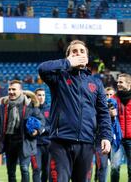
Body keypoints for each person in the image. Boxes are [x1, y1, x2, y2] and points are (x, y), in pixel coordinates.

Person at [38, 40, 112, 182]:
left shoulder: (95, 83)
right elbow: (42, 68)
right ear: (68, 56)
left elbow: (103, 113)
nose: (78, 54)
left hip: (86, 142)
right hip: (60, 142)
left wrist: (106, 137)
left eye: (82, 51)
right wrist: (67, 63)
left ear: (87, 57)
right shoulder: (58, 78)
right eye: (74, 51)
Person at [0, 80, 45, 182]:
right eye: (9, 89)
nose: (11, 92)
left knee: (24, 169)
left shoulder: (30, 104)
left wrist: (37, 131)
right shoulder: (4, 106)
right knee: (11, 171)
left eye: (14, 89)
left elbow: (42, 121)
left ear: (20, 91)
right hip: (9, 142)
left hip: (25, 141)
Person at [114, 73, 131, 182]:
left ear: (129, 83)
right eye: (118, 81)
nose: (118, 84)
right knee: (114, 168)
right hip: (117, 140)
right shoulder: (113, 99)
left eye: (121, 82)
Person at [31, 88, 50, 182]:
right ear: (35, 96)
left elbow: (53, 127)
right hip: (34, 144)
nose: (41, 97)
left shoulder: (50, 109)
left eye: (43, 95)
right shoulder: (30, 109)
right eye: (39, 95)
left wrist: (41, 130)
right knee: (36, 168)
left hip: (48, 144)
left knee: (47, 170)